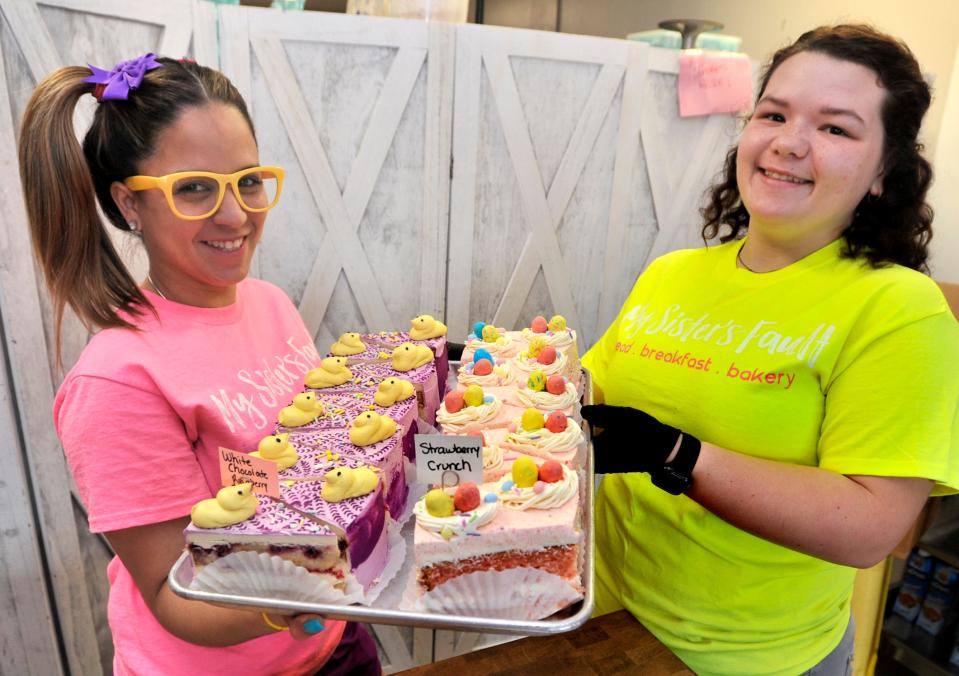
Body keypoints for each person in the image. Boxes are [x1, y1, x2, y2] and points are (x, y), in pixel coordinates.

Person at [580, 24, 959, 675]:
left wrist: (677, 456)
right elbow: (590, 393)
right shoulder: (674, 274)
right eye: (773, 114)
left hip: (747, 659)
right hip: (600, 617)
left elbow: (871, 526)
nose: (787, 142)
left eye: (835, 128)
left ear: (883, 172)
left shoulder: (898, 309)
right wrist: (500, 382)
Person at [18, 54, 381, 675]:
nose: (237, 215)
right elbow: (168, 594)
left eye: (247, 180)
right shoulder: (118, 378)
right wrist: (288, 604)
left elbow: (316, 465)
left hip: (331, 643)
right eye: (193, 188)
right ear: (129, 203)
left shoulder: (269, 304)